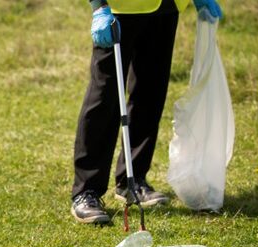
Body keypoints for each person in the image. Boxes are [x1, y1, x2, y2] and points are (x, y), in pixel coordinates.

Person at [70, 0, 223, 224]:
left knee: (151, 92)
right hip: (120, 9)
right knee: (105, 96)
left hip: (166, 6)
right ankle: (87, 191)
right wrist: (98, 6)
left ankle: (133, 181)